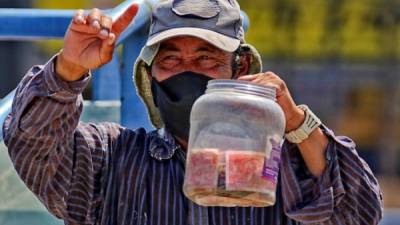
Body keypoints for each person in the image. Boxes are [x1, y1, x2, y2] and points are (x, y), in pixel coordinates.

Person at [3, 0, 383, 224]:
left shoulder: (284, 168)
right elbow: (32, 144)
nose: (188, 70)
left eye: (206, 58)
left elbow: (359, 213)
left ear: (241, 70)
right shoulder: (111, 158)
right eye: (171, 59)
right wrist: (69, 68)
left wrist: (298, 124)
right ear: (149, 76)